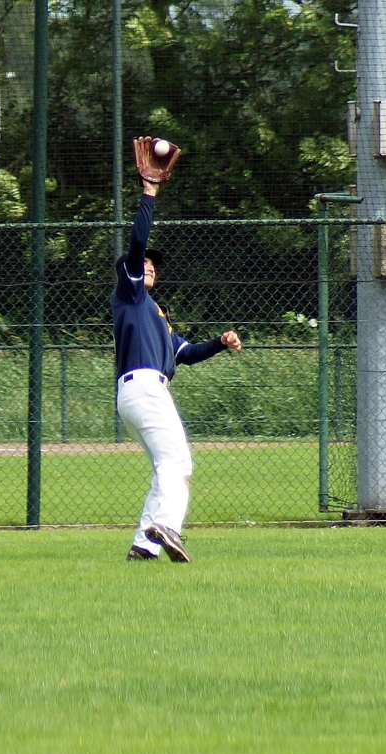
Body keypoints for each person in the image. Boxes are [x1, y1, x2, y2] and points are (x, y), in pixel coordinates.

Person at [112, 166, 242, 563]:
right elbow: (138, 241)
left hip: (138, 392)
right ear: (131, 272)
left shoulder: (156, 315)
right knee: (178, 463)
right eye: (144, 263)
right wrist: (149, 194)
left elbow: (186, 353)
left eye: (154, 264)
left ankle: (144, 546)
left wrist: (219, 344)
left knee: (164, 469)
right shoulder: (131, 295)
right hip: (145, 388)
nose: (149, 265)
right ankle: (167, 526)